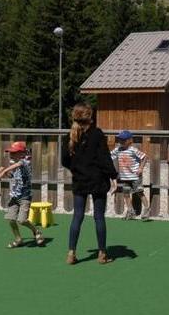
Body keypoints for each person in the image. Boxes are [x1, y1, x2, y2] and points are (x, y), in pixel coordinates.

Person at [61, 103, 118, 265]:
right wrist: (113, 177)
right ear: (90, 117)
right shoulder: (97, 134)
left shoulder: (70, 136)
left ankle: (71, 253)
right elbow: (104, 158)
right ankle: (102, 254)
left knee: (77, 216)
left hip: (80, 180)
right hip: (98, 180)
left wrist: (75, 169)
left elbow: (64, 160)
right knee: (99, 217)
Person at [0, 141, 45, 248]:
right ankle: (18, 239)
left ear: (21, 153)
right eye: (10, 152)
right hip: (15, 197)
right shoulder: (15, 166)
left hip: (25, 197)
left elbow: (18, 164)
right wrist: (2, 171)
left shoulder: (25, 162)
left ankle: (37, 232)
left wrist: (3, 170)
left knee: (22, 220)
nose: (11, 154)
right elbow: (11, 176)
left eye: (14, 152)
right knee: (11, 219)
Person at [110, 130, 149, 220]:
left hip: (135, 176)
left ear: (129, 140)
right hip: (124, 177)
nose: (121, 142)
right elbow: (109, 156)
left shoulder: (133, 150)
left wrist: (141, 168)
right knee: (126, 194)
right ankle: (130, 211)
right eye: (119, 140)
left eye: (123, 140)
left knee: (139, 192)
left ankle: (147, 209)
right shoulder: (118, 150)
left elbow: (145, 157)